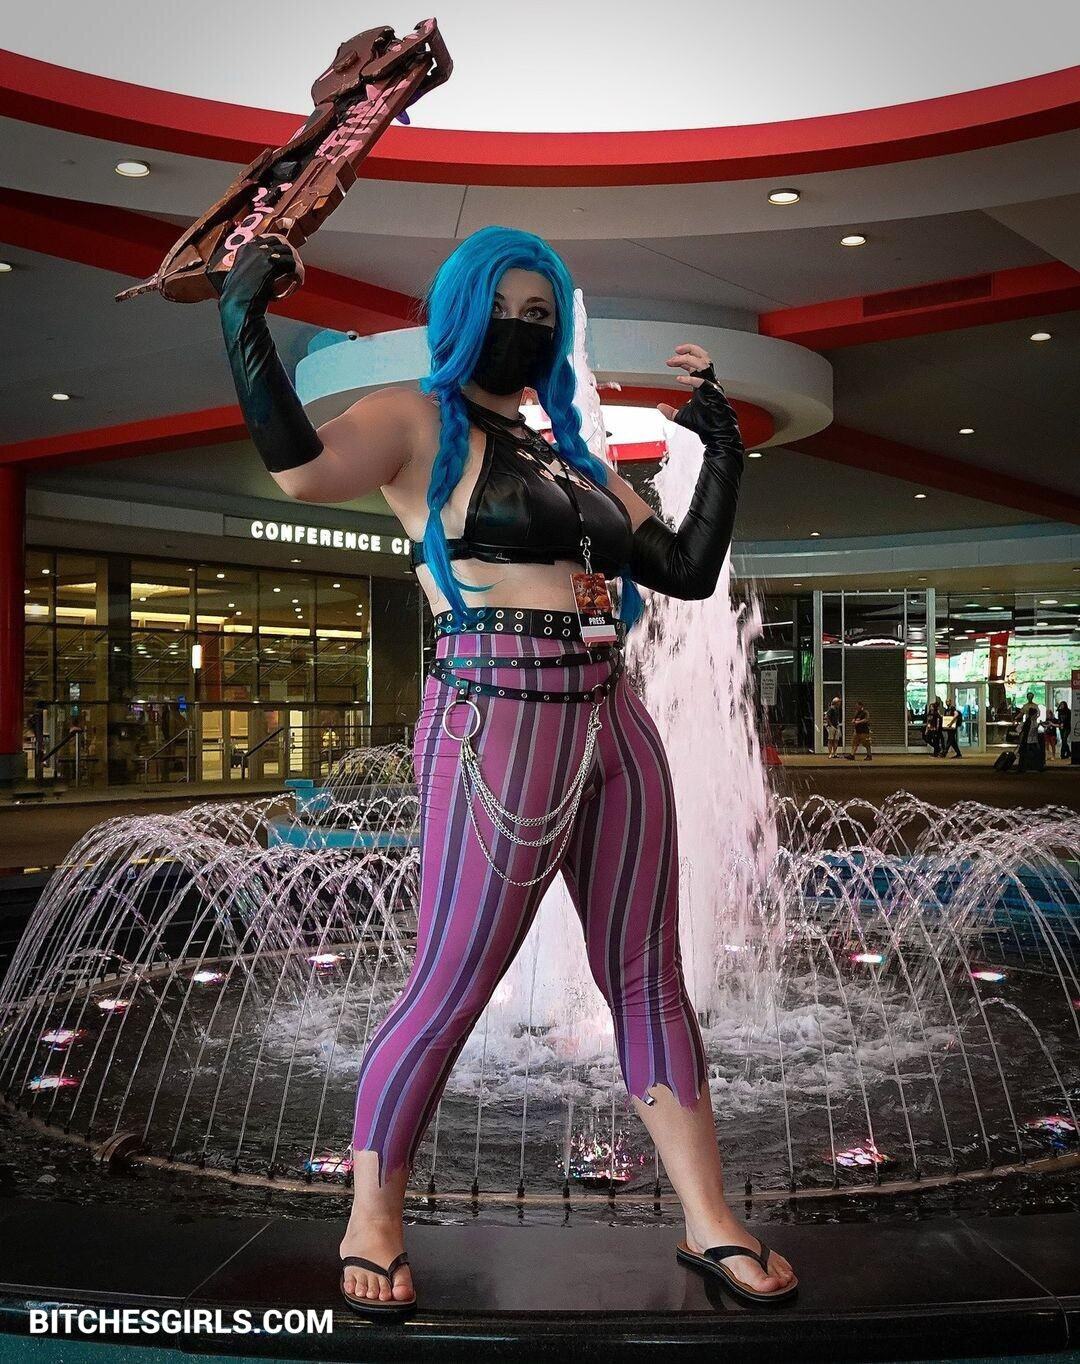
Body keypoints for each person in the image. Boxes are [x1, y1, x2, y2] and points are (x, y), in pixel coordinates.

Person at [214, 226, 797, 1314]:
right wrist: (242, 316)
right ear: (460, 311)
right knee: (452, 981)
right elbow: (300, 469)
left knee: (649, 977)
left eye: (543, 315)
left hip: (613, 714)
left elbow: (683, 568)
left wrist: (723, 448)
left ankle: (709, 1216)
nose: (523, 330)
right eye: (505, 309)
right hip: (497, 713)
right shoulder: (412, 418)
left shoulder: (570, 456)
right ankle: (370, 1220)